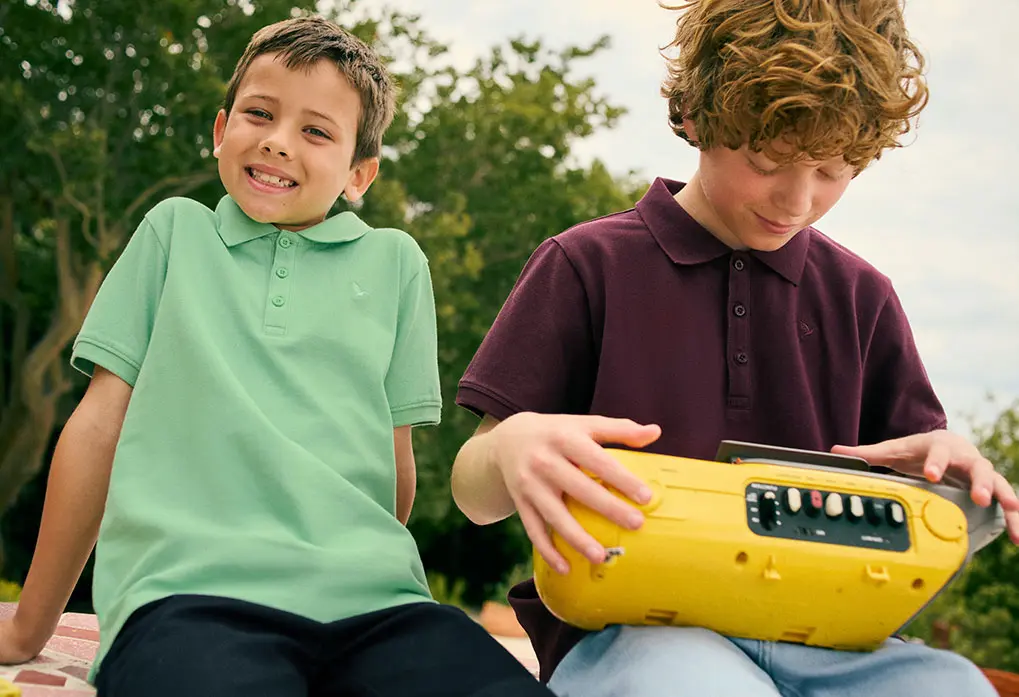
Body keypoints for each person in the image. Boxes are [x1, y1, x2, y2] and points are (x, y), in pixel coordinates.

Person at [449, 1, 1019, 695]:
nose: (796, 199)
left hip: (835, 639)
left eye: (833, 170)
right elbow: (473, 491)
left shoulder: (862, 296)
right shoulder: (585, 263)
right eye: (766, 160)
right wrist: (510, 448)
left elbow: (920, 512)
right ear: (693, 115)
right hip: (632, 631)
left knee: (952, 687)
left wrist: (958, 484)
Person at [0, 15, 553, 697]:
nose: (277, 141)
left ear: (359, 174)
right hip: (186, 597)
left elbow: (394, 466)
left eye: (315, 130)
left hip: (380, 608)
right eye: (258, 114)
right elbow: (96, 428)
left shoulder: (397, 265)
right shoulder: (173, 234)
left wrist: (363, 567)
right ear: (219, 130)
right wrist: (31, 624)